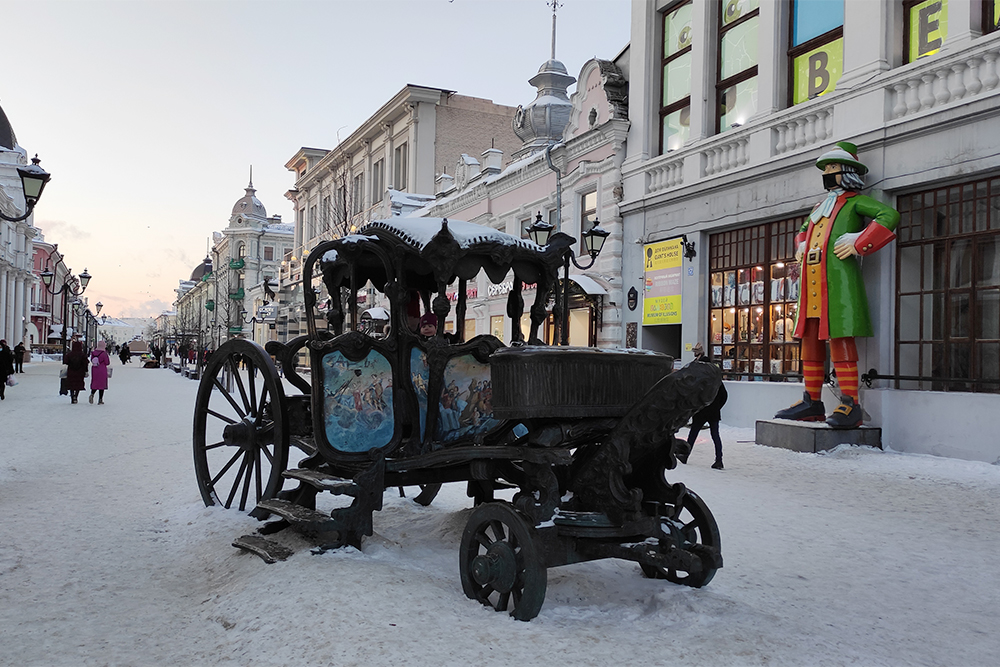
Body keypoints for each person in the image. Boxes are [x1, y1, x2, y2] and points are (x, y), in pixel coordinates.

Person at [774, 141, 899, 429]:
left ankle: (850, 403)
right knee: (810, 340)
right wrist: (802, 245)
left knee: (842, 337)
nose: (827, 174)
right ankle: (812, 401)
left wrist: (859, 242)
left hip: (839, 284)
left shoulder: (856, 202)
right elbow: (804, 232)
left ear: (847, 172)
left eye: (832, 168)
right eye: (826, 169)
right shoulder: (820, 207)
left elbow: (889, 215)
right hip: (811, 284)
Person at [681, 342, 728, 470]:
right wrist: (717, 406)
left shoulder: (700, 377)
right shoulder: (716, 378)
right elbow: (724, 395)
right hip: (713, 412)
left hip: (701, 410)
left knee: (693, 433)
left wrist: (694, 406)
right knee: (715, 435)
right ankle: (719, 459)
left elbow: (694, 393)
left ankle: (685, 455)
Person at [88, 340, 112, 405]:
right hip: (102, 370)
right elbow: (107, 362)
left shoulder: (93, 352)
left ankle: (92, 394)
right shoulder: (104, 353)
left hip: (94, 369)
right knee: (101, 384)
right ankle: (100, 399)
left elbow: (92, 360)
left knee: (95, 383)